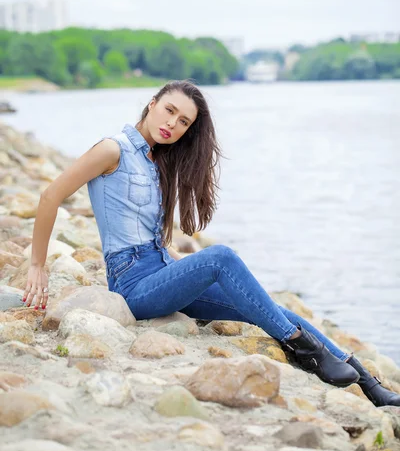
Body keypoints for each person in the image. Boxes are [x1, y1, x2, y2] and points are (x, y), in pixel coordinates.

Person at [24, 79, 399, 408]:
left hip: (164, 276)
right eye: (169, 111)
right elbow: (50, 196)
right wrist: (37, 265)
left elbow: (150, 234)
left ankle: (369, 384)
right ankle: (305, 350)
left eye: (183, 121)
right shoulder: (113, 149)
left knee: (276, 309)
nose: (172, 123)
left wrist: (173, 261)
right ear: (152, 104)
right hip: (132, 286)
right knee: (220, 255)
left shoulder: (157, 163)